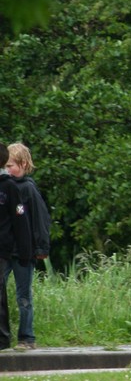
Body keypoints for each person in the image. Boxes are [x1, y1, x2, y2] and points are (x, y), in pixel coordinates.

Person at [2, 143, 50, 351]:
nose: (7, 170)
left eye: (10, 165)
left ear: (22, 164)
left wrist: (41, 247)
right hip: (5, 251)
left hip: (24, 252)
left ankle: (27, 337)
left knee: (23, 296)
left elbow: (40, 220)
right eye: (4, 165)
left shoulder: (28, 189)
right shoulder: (5, 189)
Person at [0, 143, 32, 352]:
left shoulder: (12, 187)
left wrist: (26, 250)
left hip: (7, 249)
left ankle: (17, 337)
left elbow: (21, 220)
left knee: (20, 294)